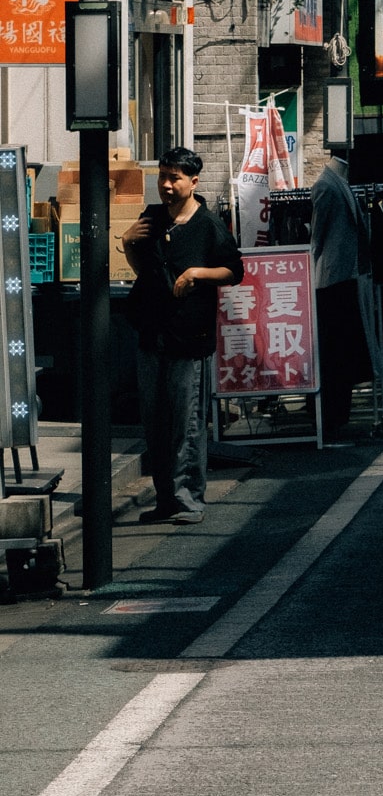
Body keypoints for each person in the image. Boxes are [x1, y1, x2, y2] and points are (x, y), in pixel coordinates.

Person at [121, 146, 244, 524]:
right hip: (151, 332)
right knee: (155, 423)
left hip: (190, 335)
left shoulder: (208, 225)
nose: (167, 185)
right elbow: (143, 268)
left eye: (174, 178)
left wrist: (196, 274)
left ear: (194, 181)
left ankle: (189, 499)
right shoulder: (152, 218)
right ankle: (165, 500)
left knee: (187, 422)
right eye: (163, 176)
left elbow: (234, 270)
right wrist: (127, 243)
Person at [312, 153, 382, 442]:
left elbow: (317, 235)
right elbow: (318, 237)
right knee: (336, 350)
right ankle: (333, 413)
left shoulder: (334, 184)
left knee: (337, 350)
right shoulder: (328, 186)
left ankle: (336, 413)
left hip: (338, 277)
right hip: (334, 278)